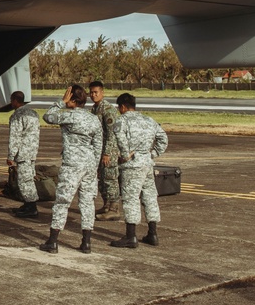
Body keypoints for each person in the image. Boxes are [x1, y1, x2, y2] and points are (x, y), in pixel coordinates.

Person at [39, 84, 102, 254]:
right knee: (88, 202)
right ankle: (86, 242)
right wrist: (94, 165)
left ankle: (53, 241)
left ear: (73, 100)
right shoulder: (93, 119)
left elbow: (48, 116)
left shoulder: (70, 116)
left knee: (62, 201)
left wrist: (60, 102)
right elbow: (98, 144)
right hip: (89, 164)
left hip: (72, 164)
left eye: (68, 97)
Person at [110, 93, 169, 249]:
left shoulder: (121, 121)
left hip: (132, 165)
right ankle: (153, 233)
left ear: (122, 107)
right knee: (150, 196)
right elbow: (163, 139)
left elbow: (120, 139)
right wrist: (152, 154)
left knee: (130, 199)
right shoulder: (148, 120)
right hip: (147, 164)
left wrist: (124, 156)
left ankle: (131, 236)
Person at [89, 81, 122, 221]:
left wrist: (107, 153)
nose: (93, 95)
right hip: (98, 150)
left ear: (102, 93)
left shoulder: (108, 110)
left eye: (96, 92)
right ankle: (106, 205)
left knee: (110, 179)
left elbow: (111, 133)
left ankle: (114, 208)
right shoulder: (95, 109)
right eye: (91, 92)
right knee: (102, 180)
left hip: (109, 152)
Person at [6, 90, 41, 218]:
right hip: (32, 152)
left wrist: (11, 156)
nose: (11, 103)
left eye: (12, 100)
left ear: (15, 101)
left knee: (24, 181)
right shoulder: (33, 113)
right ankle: (28, 204)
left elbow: (14, 137)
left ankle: (31, 207)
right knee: (29, 178)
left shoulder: (17, 116)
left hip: (23, 153)